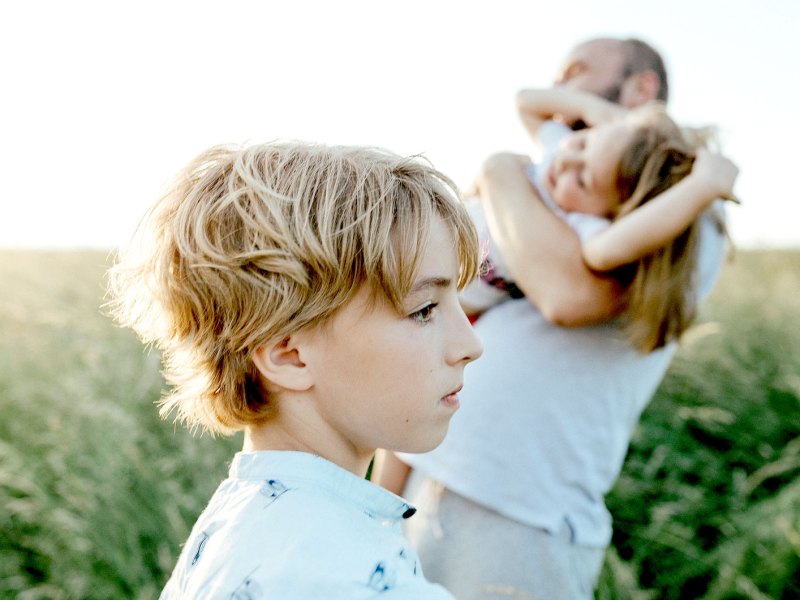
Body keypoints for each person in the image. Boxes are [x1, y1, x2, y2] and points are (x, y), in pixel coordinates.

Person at [374, 37, 737, 599]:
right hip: (441, 471)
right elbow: (532, 105)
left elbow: (569, 294)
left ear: (641, 88)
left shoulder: (677, 199)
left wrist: (500, 174)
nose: (560, 83)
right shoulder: (566, 166)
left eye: (580, 71)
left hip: (517, 511)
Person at [107, 141, 483, 599]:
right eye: (424, 309)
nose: (470, 345)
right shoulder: (326, 579)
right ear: (290, 356)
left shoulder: (252, 520)